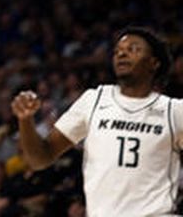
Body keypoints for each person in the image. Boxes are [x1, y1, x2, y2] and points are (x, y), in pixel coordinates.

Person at [11, 25, 183, 217]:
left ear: (153, 63)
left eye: (133, 49)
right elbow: (39, 159)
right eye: (118, 51)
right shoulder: (94, 100)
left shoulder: (175, 111)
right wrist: (25, 120)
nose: (122, 54)